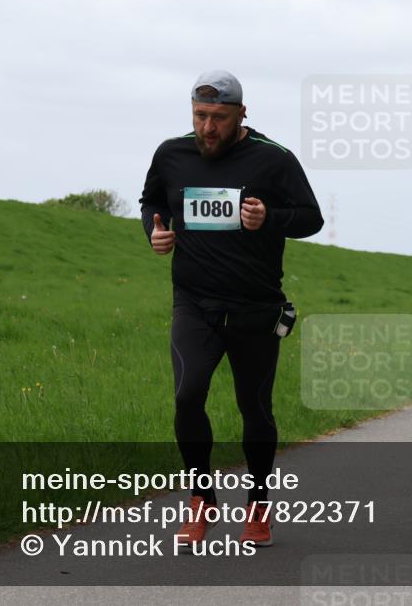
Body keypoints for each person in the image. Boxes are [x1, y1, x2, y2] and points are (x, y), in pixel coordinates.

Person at [139, 70, 323, 548]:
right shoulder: (171, 154)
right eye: (200, 116)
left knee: (254, 410)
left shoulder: (273, 159)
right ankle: (201, 498)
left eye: (219, 118)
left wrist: (269, 219)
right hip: (193, 303)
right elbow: (152, 201)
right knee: (187, 396)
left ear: (242, 114)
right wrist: (154, 233)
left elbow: (311, 218)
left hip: (255, 309)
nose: (208, 128)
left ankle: (259, 502)